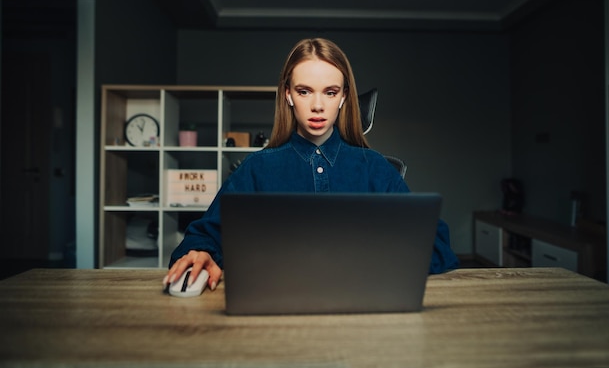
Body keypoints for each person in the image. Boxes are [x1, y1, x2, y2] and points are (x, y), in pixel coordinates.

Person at [165, 37, 458, 291]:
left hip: (363, 313)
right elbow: (203, 236)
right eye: (304, 91)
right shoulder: (256, 169)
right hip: (275, 313)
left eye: (330, 92)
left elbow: (436, 245)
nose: (317, 105)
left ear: (343, 97)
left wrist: (374, 258)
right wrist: (200, 252)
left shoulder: (375, 168)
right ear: (288, 95)